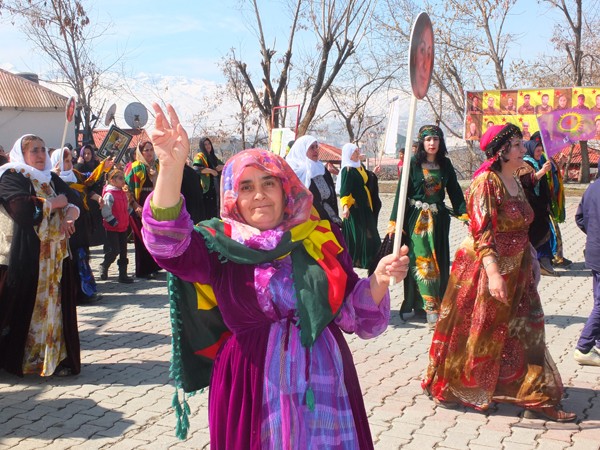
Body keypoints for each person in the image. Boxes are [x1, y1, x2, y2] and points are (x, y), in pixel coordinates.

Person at [141, 103, 410, 448]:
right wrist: (170, 167)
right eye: (247, 186)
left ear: (287, 190)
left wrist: (380, 280)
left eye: (269, 182)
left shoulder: (319, 237)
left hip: (325, 381)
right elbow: (166, 244)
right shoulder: (219, 246)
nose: (259, 195)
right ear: (233, 198)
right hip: (251, 384)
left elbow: (351, 312)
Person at [422, 123, 576, 422]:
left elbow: (524, 223)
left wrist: (530, 258)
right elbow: (482, 233)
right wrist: (493, 275)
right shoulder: (486, 184)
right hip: (487, 267)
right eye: (517, 145)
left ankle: (534, 394)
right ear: (502, 151)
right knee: (482, 331)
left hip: (517, 268)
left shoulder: (518, 178)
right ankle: (463, 387)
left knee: (529, 328)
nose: (523, 149)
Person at [0, 135, 81, 377]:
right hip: (24, 256)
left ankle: (55, 359)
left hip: (54, 259)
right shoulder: (11, 175)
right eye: (33, 150)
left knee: (55, 309)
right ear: (22, 154)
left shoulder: (50, 177)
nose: (40, 154)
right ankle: (22, 359)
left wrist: (70, 213)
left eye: (43, 149)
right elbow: (21, 209)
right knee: (22, 308)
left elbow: (75, 198)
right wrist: (53, 203)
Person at [387, 125, 467, 327]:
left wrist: (463, 212)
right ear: (422, 142)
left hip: (439, 221)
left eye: (436, 139)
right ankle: (430, 307)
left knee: (438, 261)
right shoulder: (412, 164)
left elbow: (455, 191)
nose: (432, 143)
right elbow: (401, 194)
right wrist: (395, 221)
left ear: (441, 142)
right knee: (422, 260)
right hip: (417, 220)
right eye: (428, 139)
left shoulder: (446, 164)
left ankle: (431, 304)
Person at [51, 147, 103, 304]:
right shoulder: (52, 180)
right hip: (66, 224)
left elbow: (88, 187)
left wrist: (96, 197)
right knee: (71, 257)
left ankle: (86, 290)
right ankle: (75, 293)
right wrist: (54, 176)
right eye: (65, 161)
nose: (68, 164)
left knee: (82, 255)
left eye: (69, 161)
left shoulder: (76, 176)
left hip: (81, 222)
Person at [339, 143, 381, 268]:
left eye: (357, 151)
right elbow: (344, 191)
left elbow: (366, 179)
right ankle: (359, 258)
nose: (357, 154)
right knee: (360, 233)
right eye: (354, 152)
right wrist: (346, 207)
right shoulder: (347, 170)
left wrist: (373, 173)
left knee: (370, 230)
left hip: (365, 204)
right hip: (355, 207)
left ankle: (373, 256)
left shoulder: (359, 167)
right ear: (348, 154)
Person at [517, 137, 555, 276]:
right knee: (536, 235)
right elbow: (526, 182)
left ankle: (543, 261)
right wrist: (542, 172)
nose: (539, 153)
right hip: (531, 205)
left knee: (544, 232)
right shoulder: (525, 163)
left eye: (540, 150)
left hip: (540, 206)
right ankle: (538, 262)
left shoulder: (537, 162)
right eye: (537, 150)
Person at [125, 140, 162, 279]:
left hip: (155, 204)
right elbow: (126, 188)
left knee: (154, 237)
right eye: (146, 150)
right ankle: (144, 269)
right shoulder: (134, 167)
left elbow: (162, 186)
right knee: (142, 238)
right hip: (139, 205)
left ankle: (155, 265)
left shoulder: (158, 166)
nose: (149, 153)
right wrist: (134, 205)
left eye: (151, 149)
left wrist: (155, 177)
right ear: (140, 152)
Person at [286, 135, 342, 227]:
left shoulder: (322, 169)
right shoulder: (295, 172)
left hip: (328, 218)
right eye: (311, 147)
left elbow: (332, 198)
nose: (316, 150)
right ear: (302, 150)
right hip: (305, 222)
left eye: (316, 147)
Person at [574, 180, 600, 366]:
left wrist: (593, 234)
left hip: (594, 252)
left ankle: (598, 343)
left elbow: (580, 218)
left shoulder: (593, 186)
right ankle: (583, 347)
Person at [100, 169, 134, 284]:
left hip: (123, 226)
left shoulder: (123, 193)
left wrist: (128, 213)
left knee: (124, 251)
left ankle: (123, 274)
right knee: (115, 250)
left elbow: (127, 207)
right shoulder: (109, 194)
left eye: (123, 177)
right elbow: (106, 210)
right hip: (113, 227)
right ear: (112, 180)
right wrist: (113, 221)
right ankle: (105, 265)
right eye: (120, 178)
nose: (123, 180)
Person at [192, 137, 223, 219]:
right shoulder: (200, 156)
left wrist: (221, 167)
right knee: (207, 210)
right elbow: (196, 169)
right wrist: (211, 171)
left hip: (215, 188)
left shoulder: (213, 157)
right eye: (205, 144)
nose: (208, 146)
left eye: (209, 144)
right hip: (205, 189)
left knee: (215, 208)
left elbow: (224, 166)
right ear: (202, 146)